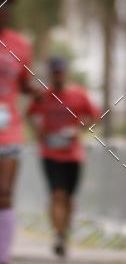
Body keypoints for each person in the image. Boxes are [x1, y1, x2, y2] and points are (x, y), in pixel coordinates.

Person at [26, 56, 100, 258]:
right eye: (54, 72)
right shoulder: (43, 96)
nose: (57, 76)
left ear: (65, 73)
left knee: (68, 197)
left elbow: (96, 115)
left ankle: (64, 232)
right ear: (50, 74)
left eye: (60, 72)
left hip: (73, 155)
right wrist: (38, 130)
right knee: (56, 194)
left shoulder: (78, 94)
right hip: (50, 153)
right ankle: (58, 234)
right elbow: (29, 114)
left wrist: (80, 129)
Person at [0, 0, 38, 264]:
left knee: (4, 193)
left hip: (7, 127)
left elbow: (24, 82)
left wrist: (37, 91)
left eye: (7, 1)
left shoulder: (21, 45)